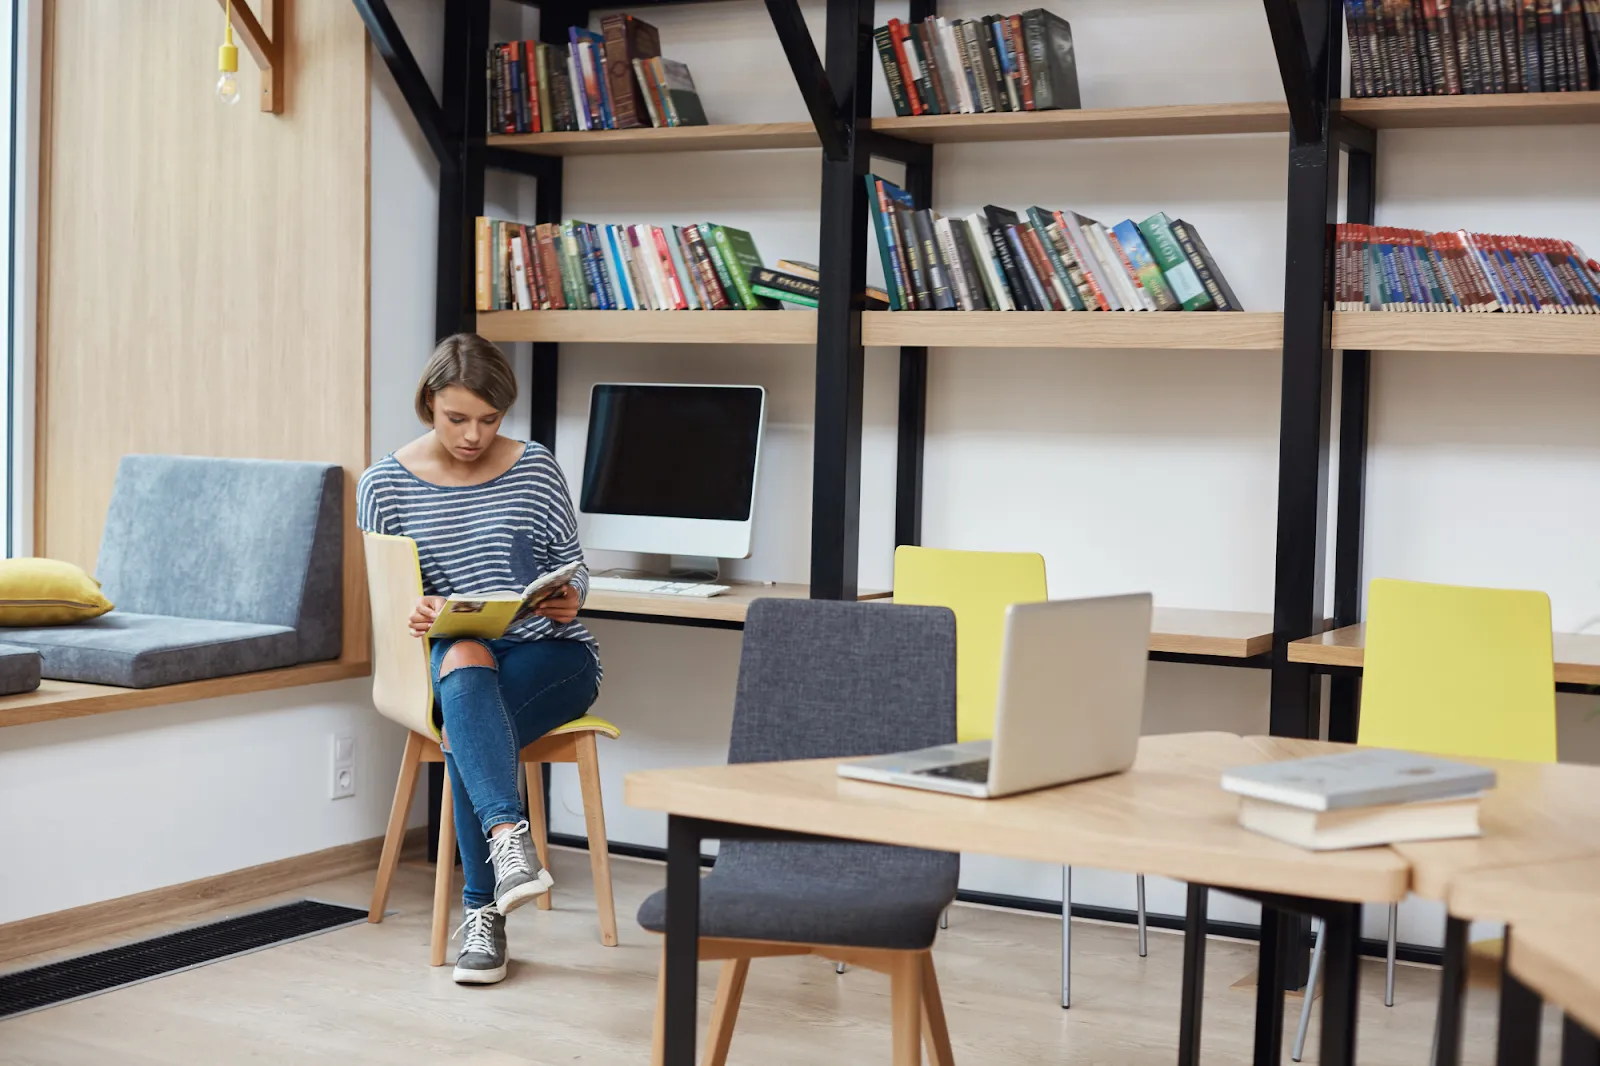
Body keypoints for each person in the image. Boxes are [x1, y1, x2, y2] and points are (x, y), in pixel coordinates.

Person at [357, 333, 601, 986]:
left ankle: (483, 907)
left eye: (489, 420)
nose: (473, 435)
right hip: (452, 661)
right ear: (429, 403)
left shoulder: (535, 467)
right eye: (457, 418)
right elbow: (388, 608)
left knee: (471, 727)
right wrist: (417, 614)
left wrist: (571, 597)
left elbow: (574, 567)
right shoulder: (384, 486)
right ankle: (507, 851)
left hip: (552, 659)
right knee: (465, 665)